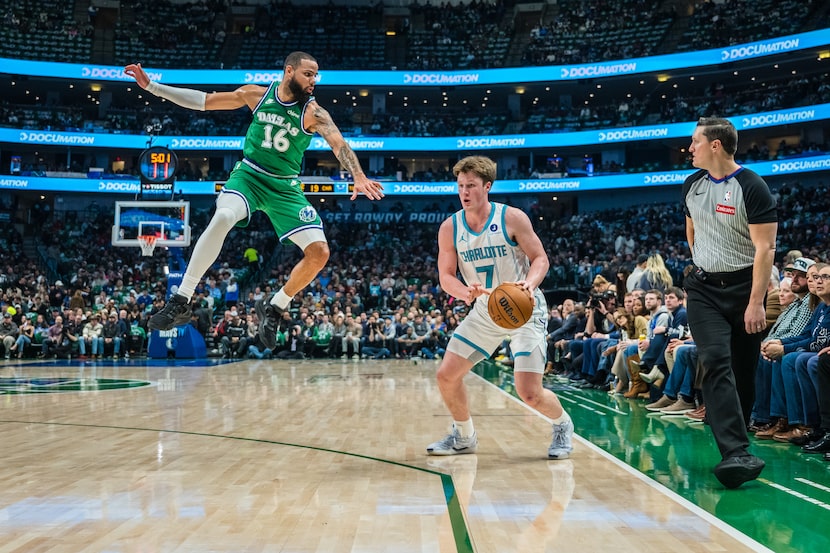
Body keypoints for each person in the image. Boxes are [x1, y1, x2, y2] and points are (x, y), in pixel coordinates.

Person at [124, 52, 384, 350]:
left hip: (285, 188)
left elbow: (339, 144)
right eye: (308, 74)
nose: (314, 81)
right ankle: (182, 298)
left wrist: (358, 175)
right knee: (222, 217)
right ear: (289, 71)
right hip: (249, 176)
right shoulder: (256, 95)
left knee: (320, 252)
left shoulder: (315, 113)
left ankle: (275, 306)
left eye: (316, 75)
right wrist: (153, 87)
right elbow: (204, 101)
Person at [426, 155, 573, 459]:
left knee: (529, 394)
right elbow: (444, 276)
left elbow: (540, 259)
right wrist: (465, 292)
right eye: (460, 186)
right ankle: (464, 436)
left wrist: (529, 285)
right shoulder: (449, 227)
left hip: (524, 308)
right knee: (446, 375)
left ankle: (562, 425)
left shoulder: (512, 218)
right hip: (485, 310)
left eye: (471, 186)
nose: (464, 192)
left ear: (487, 186)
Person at [682, 117, 778, 488]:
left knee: (743, 369)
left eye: (695, 142)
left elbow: (765, 248)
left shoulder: (752, 186)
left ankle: (741, 442)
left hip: (745, 288)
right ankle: (735, 451)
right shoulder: (691, 185)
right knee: (716, 360)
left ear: (716, 145)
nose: (690, 148)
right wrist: (703, 264)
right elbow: (691, 230)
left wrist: (755, 302)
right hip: (704, 289)